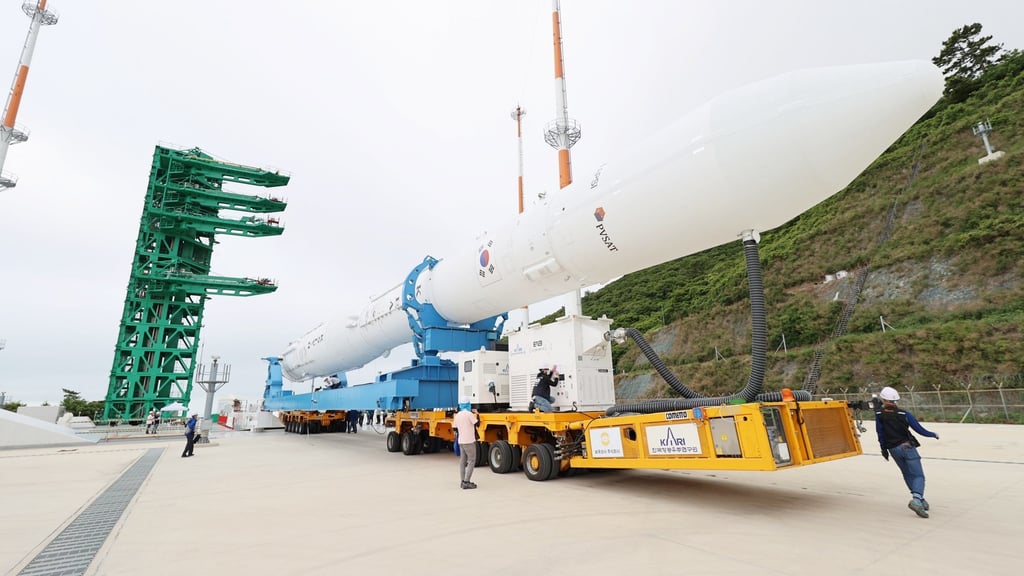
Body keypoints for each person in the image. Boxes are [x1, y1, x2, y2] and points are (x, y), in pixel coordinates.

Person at [875, 386, 939, 518]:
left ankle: (920, 499)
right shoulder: (903, 414)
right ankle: (916, 499)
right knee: (918, 476)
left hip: (893, 449)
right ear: (895, 400)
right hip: (907, 447)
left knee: (907, 474)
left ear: (883, 399)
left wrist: (883, 449)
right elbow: (919, 429)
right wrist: (932, 434)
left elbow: (880, 434)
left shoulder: (879, 415)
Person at [453, 402, 479, 489]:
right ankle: (467, 482)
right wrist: (477, 414)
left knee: (462, 461)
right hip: (469, 441)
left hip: (461, 441)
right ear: (468, 405)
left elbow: (455, 428)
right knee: (471, 460)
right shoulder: (469, 414)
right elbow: (477, 424)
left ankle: (462, 481)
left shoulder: (457, 415)